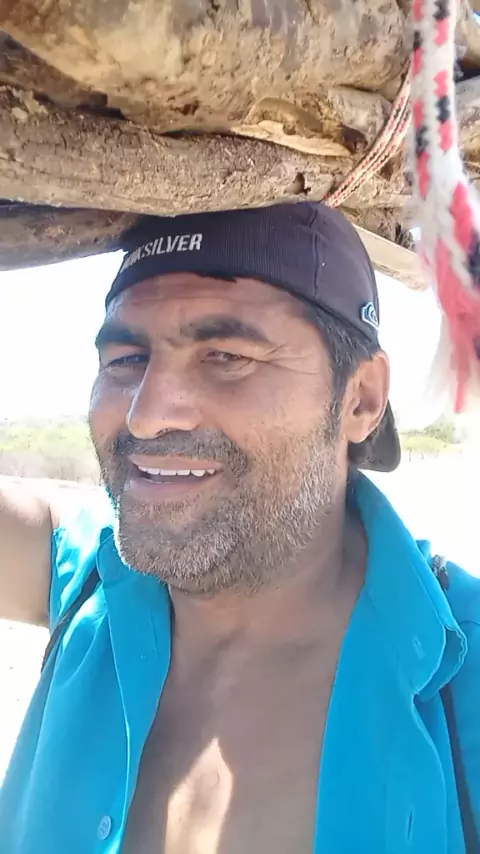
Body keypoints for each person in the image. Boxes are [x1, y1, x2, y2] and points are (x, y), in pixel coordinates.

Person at [0, 202, 478, 854]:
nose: (146, 417)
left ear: (361, 398)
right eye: (126, 360)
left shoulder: (462, 677)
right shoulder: (87, 580)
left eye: (225, 355)